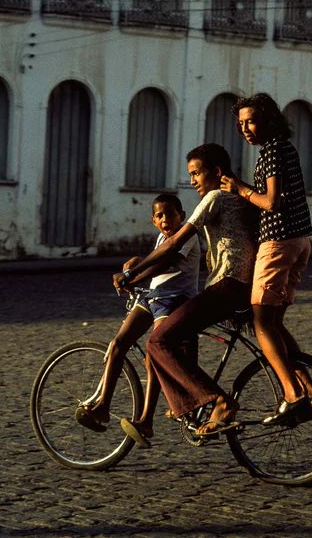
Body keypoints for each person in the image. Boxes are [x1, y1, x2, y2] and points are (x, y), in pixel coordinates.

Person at [112, 143, 257, 446]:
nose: (191, 180)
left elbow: (172, 245)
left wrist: (129, 275)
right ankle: (181, 406)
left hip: (225, 286)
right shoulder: (240, 198)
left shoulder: (215, 197)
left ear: (216, 173)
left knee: (157, 341)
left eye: (195, 173)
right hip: (242, 287)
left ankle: (216, 401)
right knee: (172, 337)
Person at [220, 92, 312, 426]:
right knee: (275, 324)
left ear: (268, 120)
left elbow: (272, 202)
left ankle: (292, 395)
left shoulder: (274, 150)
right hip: (299, 241)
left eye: (251, 121)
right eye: (241, 124)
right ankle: (310, 392)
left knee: (261, 321)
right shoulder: (282, 150)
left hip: (279, 243)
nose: (246, 128)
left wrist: (239, 188)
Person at [75, 193, 200, 433]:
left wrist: (130, 277)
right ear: (153, 220)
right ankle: (102, 406)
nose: (165, 220)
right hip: (152, 298)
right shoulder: (161, 238)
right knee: (118, 343)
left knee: (154, 353)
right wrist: (137, 264)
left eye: (170, 214)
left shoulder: (187, 236)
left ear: (181, 216)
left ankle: (145, 421)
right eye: (159, 216)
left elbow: (165, 262)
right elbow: (155, 260)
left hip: (174, 300)